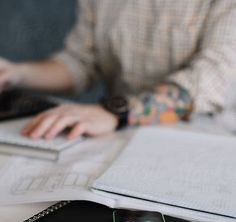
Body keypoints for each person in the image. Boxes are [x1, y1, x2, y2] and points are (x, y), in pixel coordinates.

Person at [0, 0, 235, 140]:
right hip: (119, 135)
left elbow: (207, 83)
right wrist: (15, 73)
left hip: (208, 140)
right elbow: (81, 62)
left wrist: (115, 112)